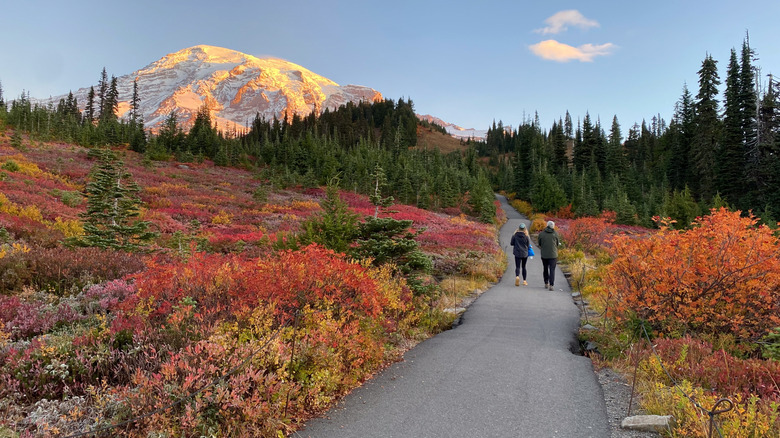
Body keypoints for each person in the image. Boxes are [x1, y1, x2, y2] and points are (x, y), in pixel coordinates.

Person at [537, 220, 561, 291]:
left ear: (547, 225)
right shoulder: (555, 234)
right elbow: (557, 243)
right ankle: (551, 285)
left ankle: (546, 282)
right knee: (552, 269)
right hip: (553, 255)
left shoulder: (542, 234)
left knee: (545, 268)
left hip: (544, 254)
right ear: (553, 226)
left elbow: (539, 243)